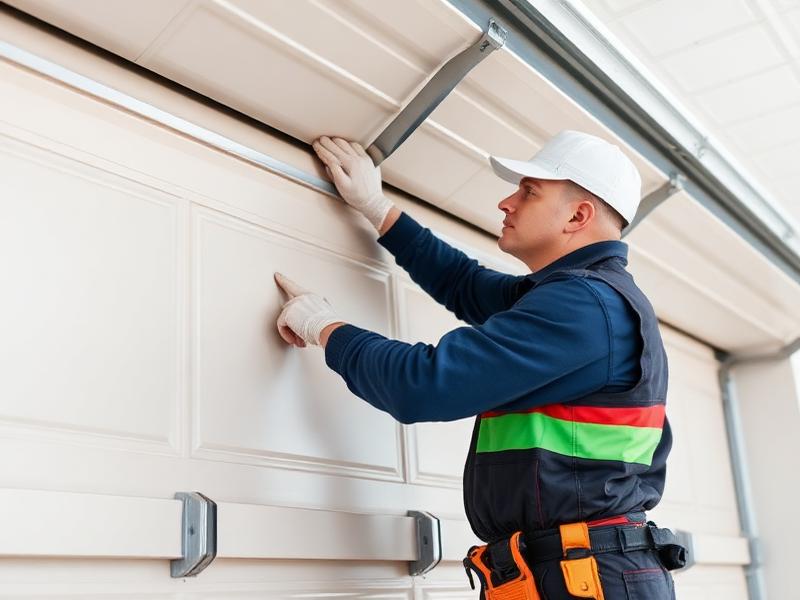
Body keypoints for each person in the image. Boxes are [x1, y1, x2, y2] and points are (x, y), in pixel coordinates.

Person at [273, 130, 684, 599]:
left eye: (529, 192)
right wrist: (376, 208)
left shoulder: (585, 307)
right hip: (569, 573)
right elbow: (465, 284)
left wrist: (324, 327)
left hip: (586, 579)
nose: (506, 203)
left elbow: (423, 386)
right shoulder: (578, 297)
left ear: (578, 215)